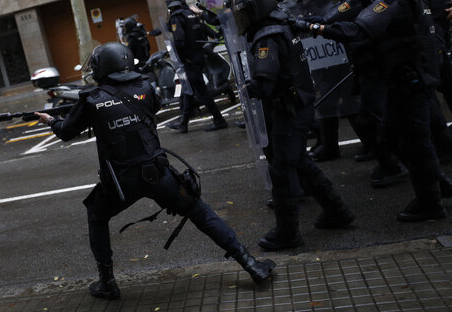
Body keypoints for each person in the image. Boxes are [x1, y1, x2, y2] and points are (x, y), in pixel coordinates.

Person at [33, 42, 275, 300]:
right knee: (199, 212)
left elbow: (66, 132)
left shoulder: (91, 100)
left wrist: (52, 121)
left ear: (102, 68)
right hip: (158, 174)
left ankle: (107, 282)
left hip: (121, 182)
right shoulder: (146, 87)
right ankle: (250, 263)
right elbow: (152, 107)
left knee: (96, 215)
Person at [296, 0, 449, 222]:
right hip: (402, 77)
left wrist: (315, 28)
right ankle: (436, 186)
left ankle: (431, 201)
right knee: (393, 137)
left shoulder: (390, 2)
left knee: (416, 141)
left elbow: (359, 30)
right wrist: (323, 20)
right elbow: (352, 7)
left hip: (412, 77)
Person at [225, 0, 355, 251]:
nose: (240, 20)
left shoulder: (267, 37)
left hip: (288, 110)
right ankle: (337, 211)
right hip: (298, 105)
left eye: (242, 14)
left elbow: (265, 82)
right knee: (300, 163)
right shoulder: (281, 25)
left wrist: (245, 88)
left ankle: (287, 233)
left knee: (282, 171)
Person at [165, 0, 229, 133]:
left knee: (201, 91)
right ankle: (183, 123)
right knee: (188, 89)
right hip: (198, 56)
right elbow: (201, 32)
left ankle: (219, 119)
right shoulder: (190, 14)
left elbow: (180, 40)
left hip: (189, 60)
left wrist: (176, 52)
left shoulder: (176, 18)